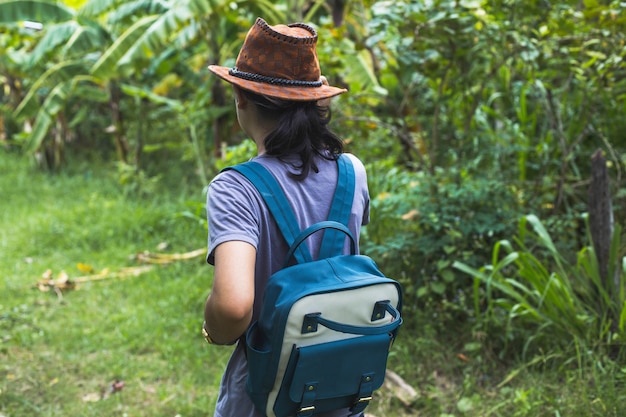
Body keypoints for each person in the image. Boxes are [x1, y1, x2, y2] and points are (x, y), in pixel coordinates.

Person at [203, 17, 370, 417]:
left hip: (264, 395)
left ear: (241, 96)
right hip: (340, 383)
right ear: (316, 101)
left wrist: (212, 329)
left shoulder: (235, 189)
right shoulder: (353, 171)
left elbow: (233, 306)